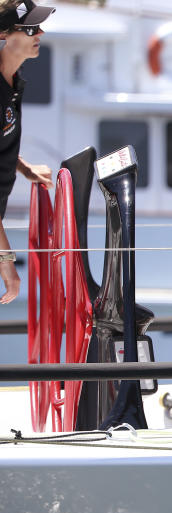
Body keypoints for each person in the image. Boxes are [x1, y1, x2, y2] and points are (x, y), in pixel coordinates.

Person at [0, 0, 55, 303]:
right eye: (31, 27)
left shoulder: (13, 83)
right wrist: (7, 264)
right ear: (4, 35)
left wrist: (25, 169)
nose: (41, 33)